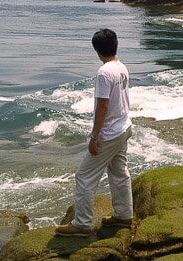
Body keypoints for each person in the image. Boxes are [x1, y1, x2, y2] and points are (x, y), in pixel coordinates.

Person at [56, 29, 133, 237]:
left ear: (97, 50)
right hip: (124, 127)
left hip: (109, 133)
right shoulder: (122, 67)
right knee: (119, 173)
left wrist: (95, 136)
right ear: (115, 45)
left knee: (84, 176)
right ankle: (124, 215)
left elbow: (102, 107)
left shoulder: (104, 73)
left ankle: (82, 223)